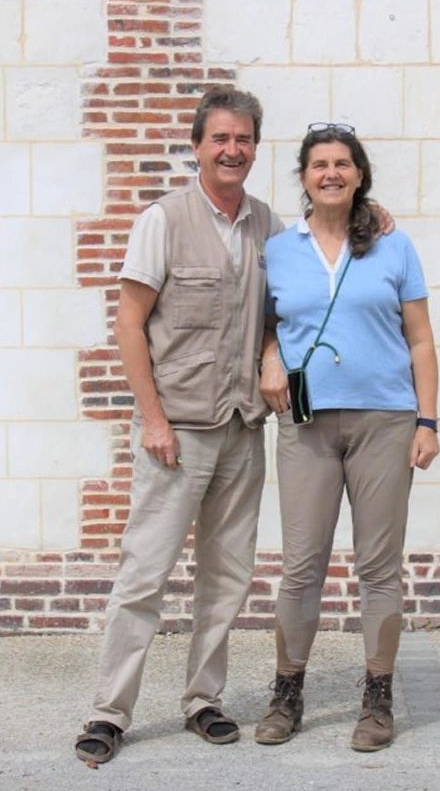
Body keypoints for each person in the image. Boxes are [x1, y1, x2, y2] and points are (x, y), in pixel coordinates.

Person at [73, 85, 285, 764]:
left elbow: (284, 313)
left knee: (227, 577)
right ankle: (110, 712)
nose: (233, 149)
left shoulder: (269, 227)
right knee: (145, 574)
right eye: (220, 138)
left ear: (255, 148)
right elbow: (129, 322)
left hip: (242, 429)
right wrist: (152, 418)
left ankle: (203, 700)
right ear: (198, 147)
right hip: (180, 432)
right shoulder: (163, 219)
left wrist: (272, 358)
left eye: (244, 139)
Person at [253, 123, 440, 753]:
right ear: (303, 177)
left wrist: (428, 421)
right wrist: (271, 355)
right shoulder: (279, 249)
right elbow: (265, 320)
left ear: (360, 174)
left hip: (385, 421)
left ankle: (378, 696)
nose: (330, 173)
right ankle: (288, 690)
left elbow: (420, 338)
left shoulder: (393, 245)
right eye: (318, 164)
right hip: (306, 423)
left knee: (378, 567)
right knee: (301, 566)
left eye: (342, 163)